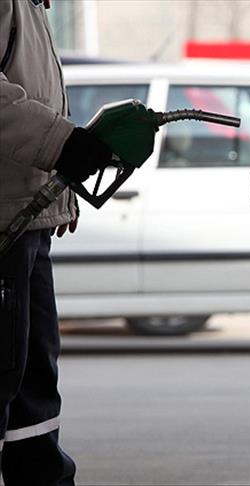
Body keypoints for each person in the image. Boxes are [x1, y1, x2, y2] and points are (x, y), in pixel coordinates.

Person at [0, 0, 113, 484]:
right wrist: (62, 144)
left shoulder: (31, 7)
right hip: (4, 227)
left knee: (33, 388)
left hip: (24, 222)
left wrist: (58, 198)